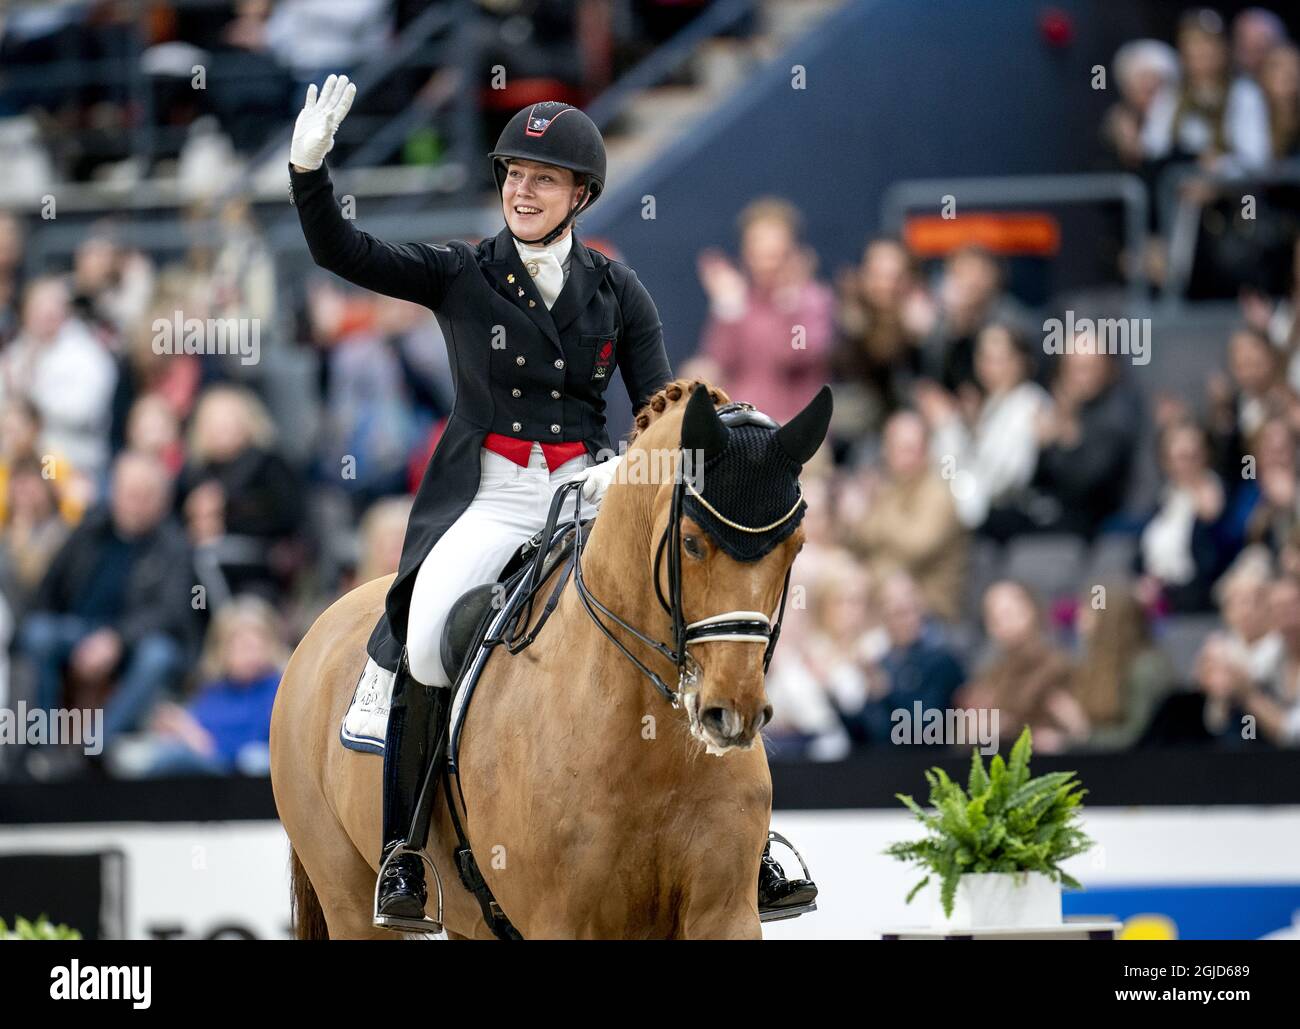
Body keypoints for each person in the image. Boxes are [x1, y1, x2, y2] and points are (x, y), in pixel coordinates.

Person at [288, 79, 816, 929]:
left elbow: (664, 411)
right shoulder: (462, 272)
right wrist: (309, 170)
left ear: (580, 195)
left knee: (693, 610)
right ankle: (403, 852)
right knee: (424, 636)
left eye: (543, 178)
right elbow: (345, 252)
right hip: (492, 496)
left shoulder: (618, 290)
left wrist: (733, 433)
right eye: (513, 175)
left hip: (592, 488)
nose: (522, 191)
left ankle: (751, 841)